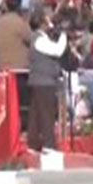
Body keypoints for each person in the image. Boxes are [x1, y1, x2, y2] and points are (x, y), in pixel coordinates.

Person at [27, 10, 69, 152]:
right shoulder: (39, 39)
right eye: (47, 21)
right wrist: (64, 35)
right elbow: (57, 50)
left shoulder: (42, 38)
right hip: (43, 81)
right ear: (42, 23)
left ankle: (33, 143)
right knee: (46, 113)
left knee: (37, 113)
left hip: (41, 80)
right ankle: (48, 144)